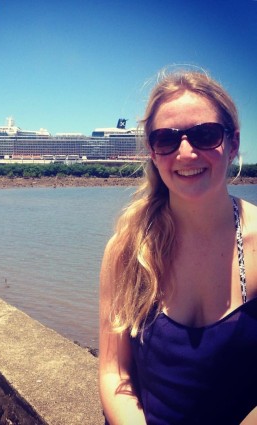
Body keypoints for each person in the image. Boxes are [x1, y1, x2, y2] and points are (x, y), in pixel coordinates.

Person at [99, 68, 257, 425]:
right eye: (166, 140)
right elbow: (113, 373)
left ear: (232, 143)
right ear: (153, 153)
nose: (185, 153)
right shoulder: (128, 250)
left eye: (205, 135)